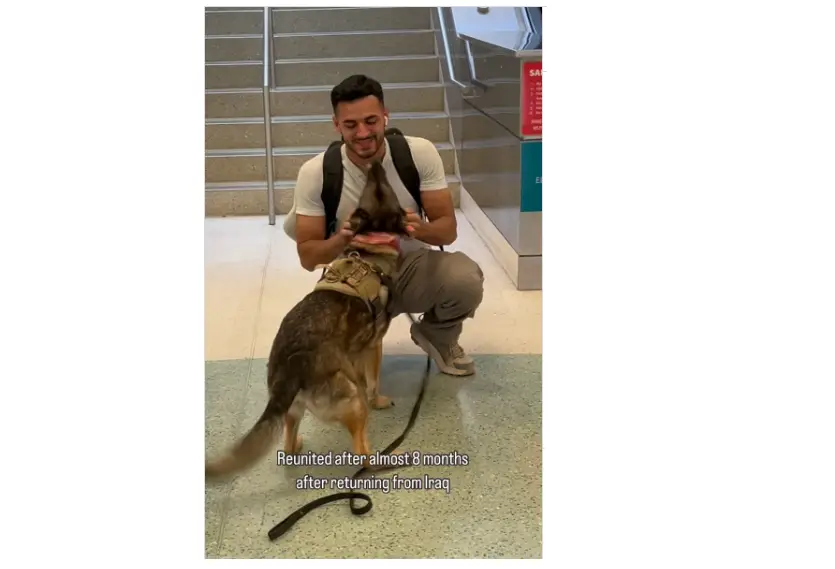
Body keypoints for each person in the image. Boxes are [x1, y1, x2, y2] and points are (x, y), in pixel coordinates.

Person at [282, 74, 484, 376]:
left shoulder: (418, 154)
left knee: (464, 279)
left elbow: (448, 232)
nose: (363, 133)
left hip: (409, 267)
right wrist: (342, 237)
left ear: (385, 117)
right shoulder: (316, 172)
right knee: (344, 377)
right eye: (350, 125)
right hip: (352, 277)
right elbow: (309, 258)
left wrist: (418, 228)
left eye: (371, 121)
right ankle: (353, 345)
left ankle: (437, 336)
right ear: (337, 125)